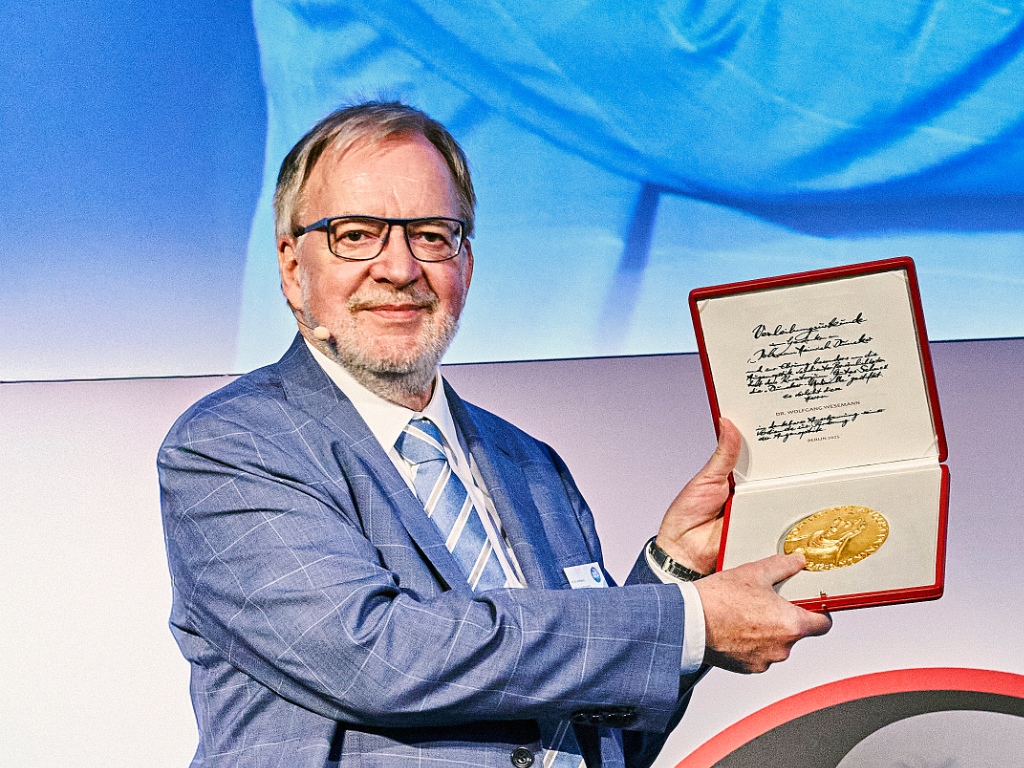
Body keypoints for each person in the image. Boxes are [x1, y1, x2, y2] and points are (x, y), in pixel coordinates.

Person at [158, 101, 832, 768]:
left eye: (430, 234)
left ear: (466, 265)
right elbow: (380, 655)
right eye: (357, 234)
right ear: (290, 266)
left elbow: (598, 737)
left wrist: (673, 567)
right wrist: (686, 620)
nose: (399, 268)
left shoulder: (529, 465)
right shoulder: (233, 446)